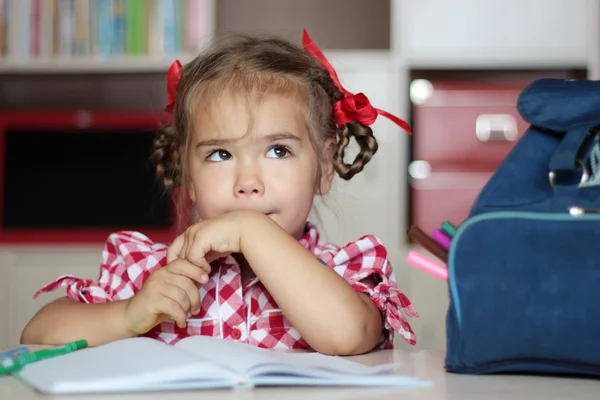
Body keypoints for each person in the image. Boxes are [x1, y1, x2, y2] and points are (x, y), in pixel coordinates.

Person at [20, 30, 417, 356]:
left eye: (278, 150)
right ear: (188, 174)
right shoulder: (150, 275)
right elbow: (36, 336)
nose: (247, 181)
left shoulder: (345, 271)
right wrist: (126, 315)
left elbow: (350, 335)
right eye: (220, 154)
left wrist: (251, 230)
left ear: (324, 166)